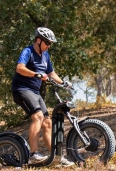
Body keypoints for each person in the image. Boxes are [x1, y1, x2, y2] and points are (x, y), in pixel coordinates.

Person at [11, 27, 74, 166]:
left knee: (47, 122)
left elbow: (51, 73)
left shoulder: (45, 55)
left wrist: (64, 83)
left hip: (34, 92)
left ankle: (56, 158)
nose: (49, 46)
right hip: (21, 89)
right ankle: (33, 155)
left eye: (51, 43)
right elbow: (19, 68)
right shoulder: (28, 51)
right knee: (38, 117)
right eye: (47, 43)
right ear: (38, 40)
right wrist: (36, 74)